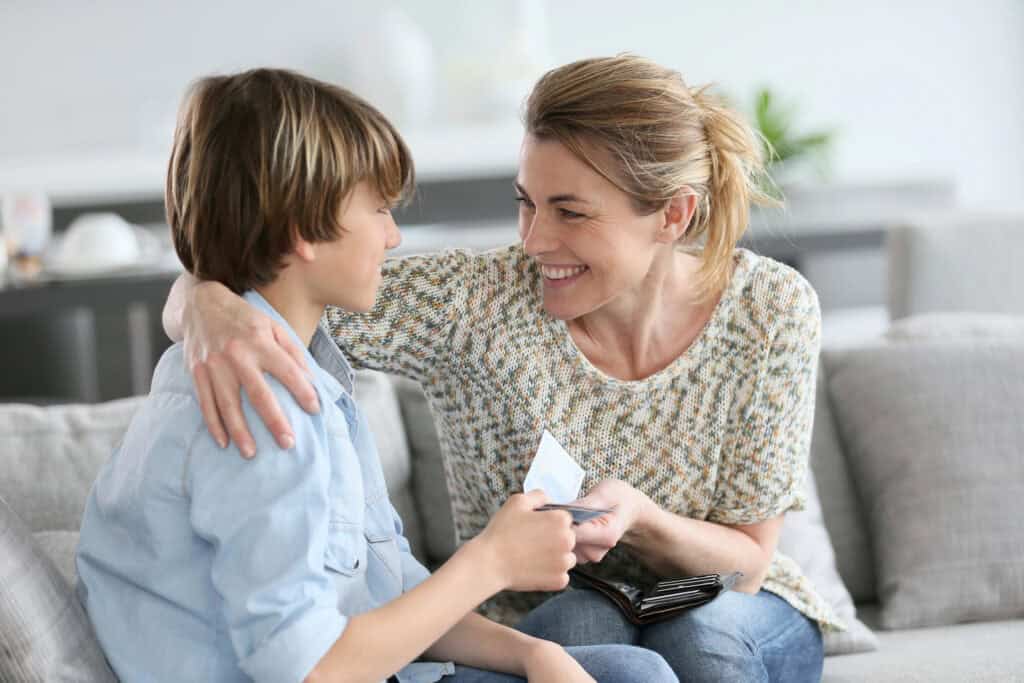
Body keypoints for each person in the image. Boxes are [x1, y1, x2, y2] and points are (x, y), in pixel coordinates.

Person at [164, 55, 843, 682]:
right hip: (552, 607)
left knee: (697, 642)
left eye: (569, 212)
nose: (534, 239)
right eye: (526, 201)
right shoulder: (474, 302)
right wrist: (204, 306)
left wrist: (639, 517)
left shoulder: (770, 310)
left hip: (729, 605)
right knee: (586, 627)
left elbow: (749, 562)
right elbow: (275, 283)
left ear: (673, 214)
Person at [76, 68, 678, 683]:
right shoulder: (262, 407)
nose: (393, 237)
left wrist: (533, 654)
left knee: (623, 668)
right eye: (381, 209)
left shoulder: (305, 377)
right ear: (303, 228)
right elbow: (309, 671)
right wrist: (490, 563)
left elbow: (385, 592)